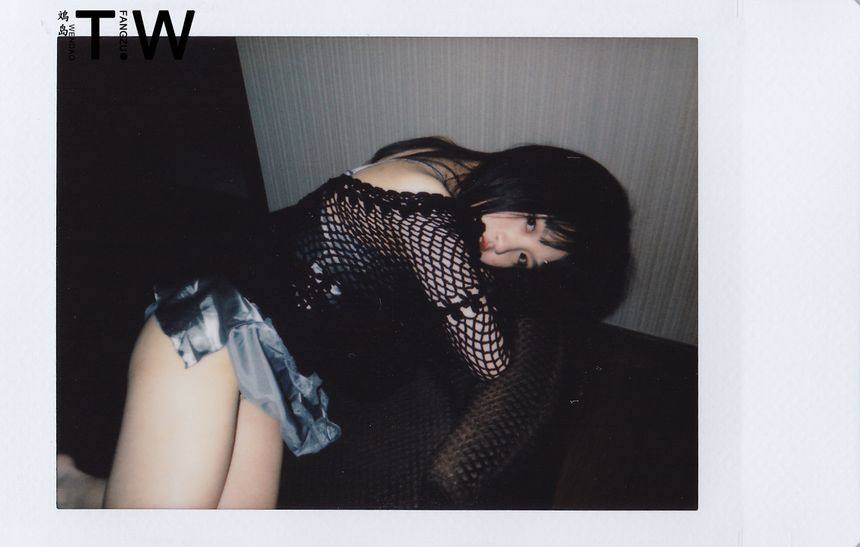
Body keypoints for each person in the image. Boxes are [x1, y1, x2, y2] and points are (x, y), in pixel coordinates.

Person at [57, 136, 632, 509]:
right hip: (217, 332)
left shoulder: (460, 180)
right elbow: (488, 358)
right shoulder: (426, 202)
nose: (503, 246)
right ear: (531, 176)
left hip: (274, 369)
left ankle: (81, 489)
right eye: (530, 222)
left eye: (526, 259)